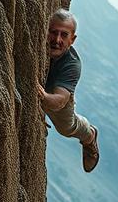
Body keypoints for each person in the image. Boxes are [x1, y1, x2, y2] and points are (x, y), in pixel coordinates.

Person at [36, 9, 100, 172]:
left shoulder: (72, 65)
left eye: (64, 35)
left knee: (66, 128)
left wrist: (41, 96)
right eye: (53, 32)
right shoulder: (36, 41)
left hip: (57, 94)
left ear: (72, 39)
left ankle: (89, 135)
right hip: (43, 89)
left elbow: (60, 100)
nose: (57, 40)